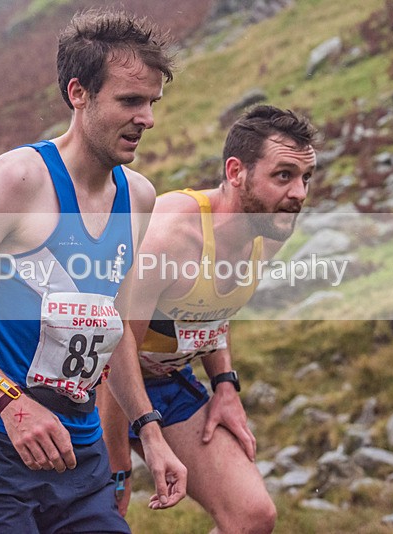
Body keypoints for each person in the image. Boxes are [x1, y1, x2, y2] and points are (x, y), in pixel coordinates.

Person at [0, 9, 187, 533]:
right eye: (130, 100)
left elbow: (116, 330)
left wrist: (149, 430)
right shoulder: (17, 180)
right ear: (78, 93)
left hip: (79, 460)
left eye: (152, 103)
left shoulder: (140, 197)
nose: (147, 118)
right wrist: (13, 405)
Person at [98, 105, 318, 534]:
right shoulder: (171, 238)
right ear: (236, 172)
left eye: (305, 178)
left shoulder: (267, 231)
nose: (299, 194)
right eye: (283, 175)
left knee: (253, 517)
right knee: (101, 521)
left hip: (163, 383)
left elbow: (211, 310)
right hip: (95, 384)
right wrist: (118, 461)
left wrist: (225, 384)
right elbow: (114, 346)